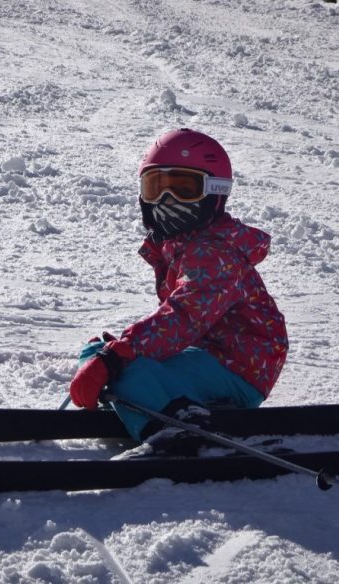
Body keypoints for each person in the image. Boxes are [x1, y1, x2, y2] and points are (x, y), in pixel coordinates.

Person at [68, 128, 288, 455]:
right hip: (206, 357)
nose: (165, 201)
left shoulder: (215, 253)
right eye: (156, 188)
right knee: (97, 354)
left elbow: (184, 317)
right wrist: (111, 354)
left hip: (241, 367)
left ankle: (177, 432)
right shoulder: (181, 248)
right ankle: (151, 409)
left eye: (183, 189)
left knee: (119, 363)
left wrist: (120, 354)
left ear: (213, 192)